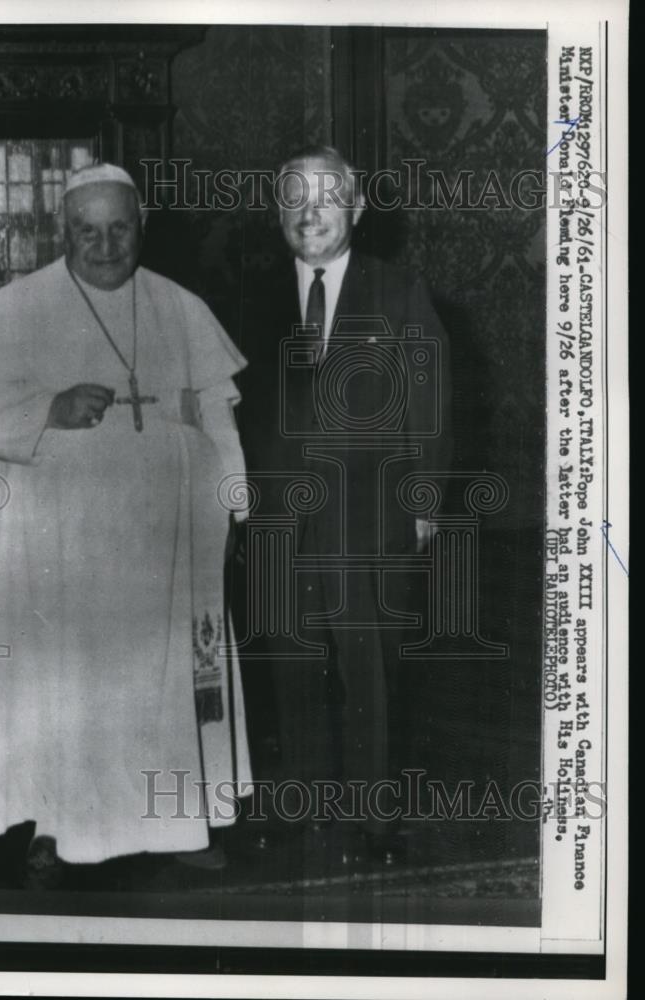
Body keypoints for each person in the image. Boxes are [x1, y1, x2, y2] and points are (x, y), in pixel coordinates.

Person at [0, 163, 251, 878]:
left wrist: (231, 494)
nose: (106, 246)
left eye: (120, 229)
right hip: (64, 539)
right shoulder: (16, 307)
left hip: (168, 533)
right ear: (64, 231)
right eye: (89, 231)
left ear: (141, 226)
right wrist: (46, 410)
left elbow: (216, 408)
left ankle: (184, 822)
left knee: (170, 672)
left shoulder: (179, 305)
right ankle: (54, 827)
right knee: (70, 681)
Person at [234, 145, 453, 862]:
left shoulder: (398, 289)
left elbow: (431, 401)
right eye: (293, 198)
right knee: (289, 661)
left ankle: (373, 820)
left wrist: (421, 501)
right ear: (277, 213)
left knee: (369, 670)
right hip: (274, 519)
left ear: (355, 209)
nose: (308, 213)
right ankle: (300, 804)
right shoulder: (245, 298)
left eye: (325, 198)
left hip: (370, 515)